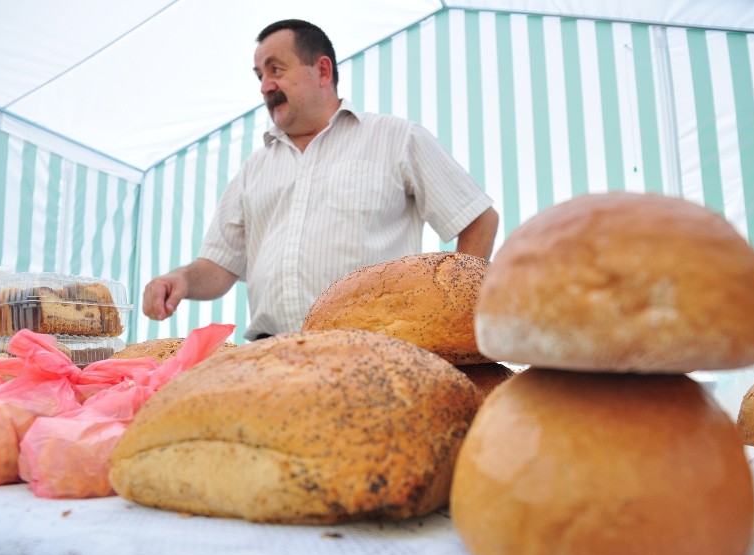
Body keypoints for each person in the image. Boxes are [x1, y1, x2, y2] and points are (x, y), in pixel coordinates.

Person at [143, 19, 499, 340]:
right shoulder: (254, 168)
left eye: (276, 69)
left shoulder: (396, 138)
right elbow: (218, 268)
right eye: (259, 76)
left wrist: (454, 310)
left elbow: (478, 218)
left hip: (376, 350)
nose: (266, 86)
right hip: (273, 357)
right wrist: (183, 280)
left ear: (323, 71)